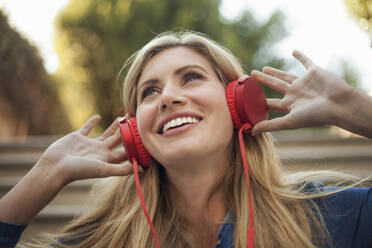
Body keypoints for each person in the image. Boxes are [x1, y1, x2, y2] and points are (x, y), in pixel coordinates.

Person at [0, 31, 371, 248]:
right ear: (135, 135)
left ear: (239, 104)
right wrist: (46, 174)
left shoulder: (332, 217)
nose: (168, 98)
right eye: (149, 92)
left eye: (191, 77)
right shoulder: (103, 239)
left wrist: (354, 109)